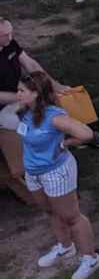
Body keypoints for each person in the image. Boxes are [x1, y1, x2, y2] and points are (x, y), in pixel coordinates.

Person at [16, 71, 99, 279]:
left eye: (21, 91)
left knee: (72, 216)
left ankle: (90, 257)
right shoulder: (25, 112)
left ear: (35, 94)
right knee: (50, 211)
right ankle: (65, 246)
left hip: (56, 172)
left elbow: (86, 133)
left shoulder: (54, 117)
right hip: (34, 173)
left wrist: (64, 143)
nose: (17, 94)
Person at [0, 16, 48, 204]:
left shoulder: (10, 45)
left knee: (49, 103)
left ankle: (82, 134)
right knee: (14, 123)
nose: (10, 38)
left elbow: (31, 64)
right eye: (5, 35)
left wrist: (50, 84)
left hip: (18, 95)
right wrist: (23, 97)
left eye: (11, 32)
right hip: (5, 105)